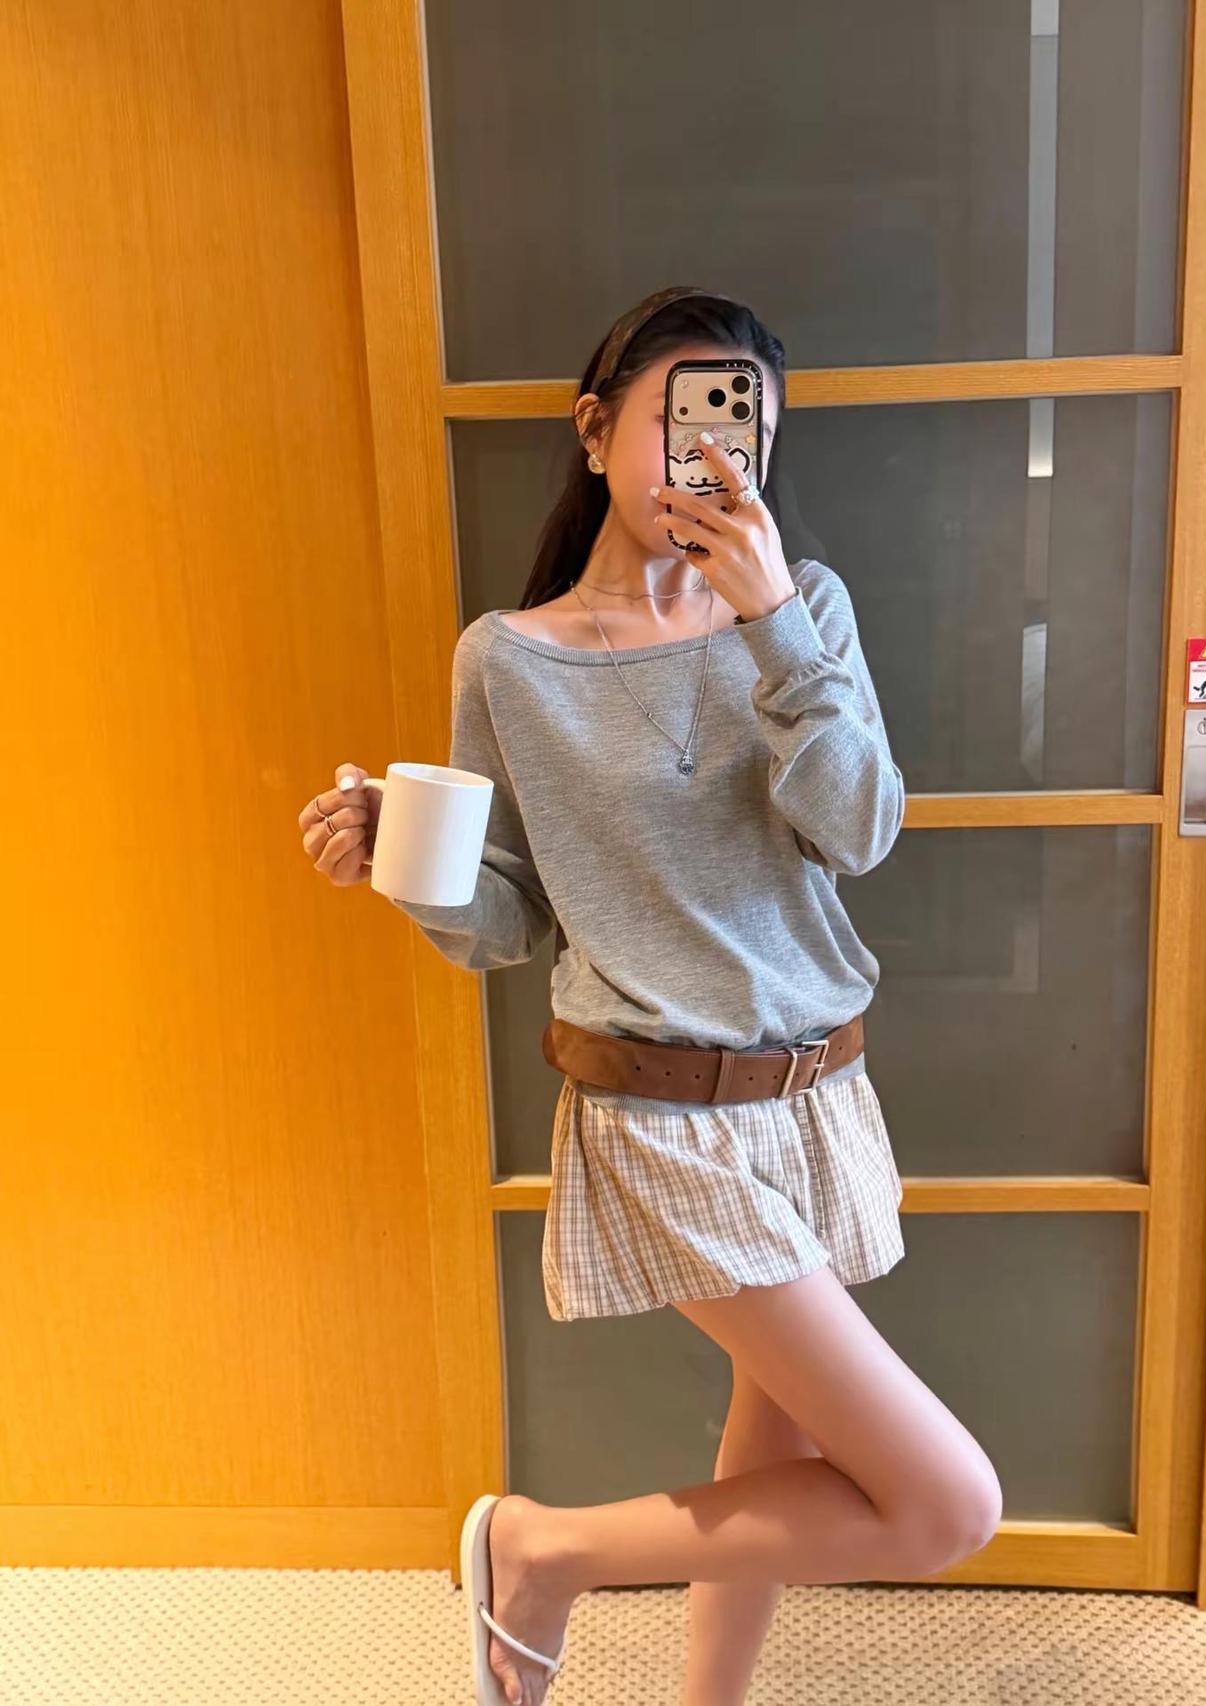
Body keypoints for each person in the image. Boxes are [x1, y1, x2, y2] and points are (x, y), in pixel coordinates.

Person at [298, 286, 1002, 1706]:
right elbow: (507, 916)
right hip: (663, 1114)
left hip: (818, 1091)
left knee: (772, 1442)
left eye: (746, 423)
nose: (718, 448)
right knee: (946, 1502)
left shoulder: (805, 611)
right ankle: (540, 1551)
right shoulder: (510, 658)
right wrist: (399, 867)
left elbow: (860, 830)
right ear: (595, 428)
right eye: (689, 411)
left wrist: (774, 625)